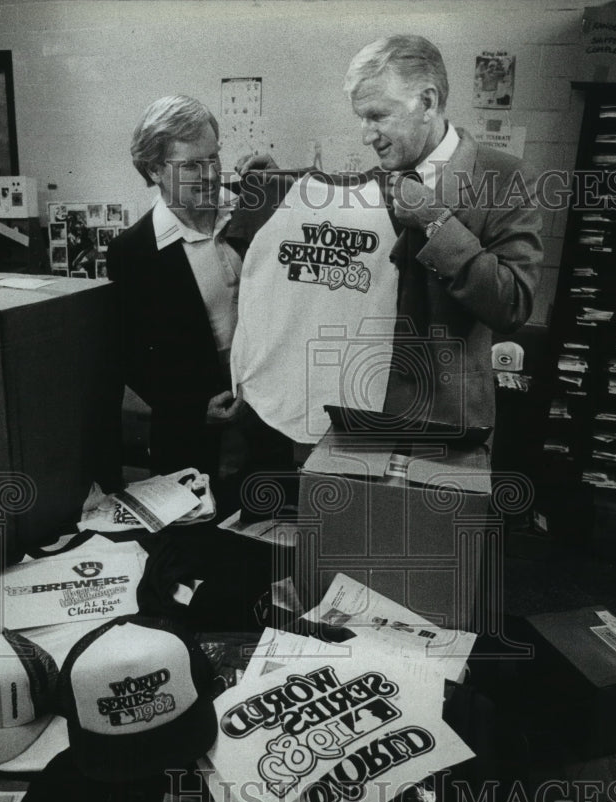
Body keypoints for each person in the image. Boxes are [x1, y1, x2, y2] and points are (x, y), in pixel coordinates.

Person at [238, 34, 543, 439]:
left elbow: (512, 304)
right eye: (361, 118)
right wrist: (277, 187)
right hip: (358, 407)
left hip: (445, 420)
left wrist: (435, 220)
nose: (366, 135)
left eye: (378, 116)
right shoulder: (381, 180)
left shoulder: (506, 178)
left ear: (428, 103)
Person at [107, 96, 255, 480]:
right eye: (191, 165)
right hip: (193, 439)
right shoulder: (134, 251)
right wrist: (191, 408)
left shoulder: (251, 212)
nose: (209, 175)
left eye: (214, 159)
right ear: (155, 169)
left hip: (265, 421)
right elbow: (130, 356)